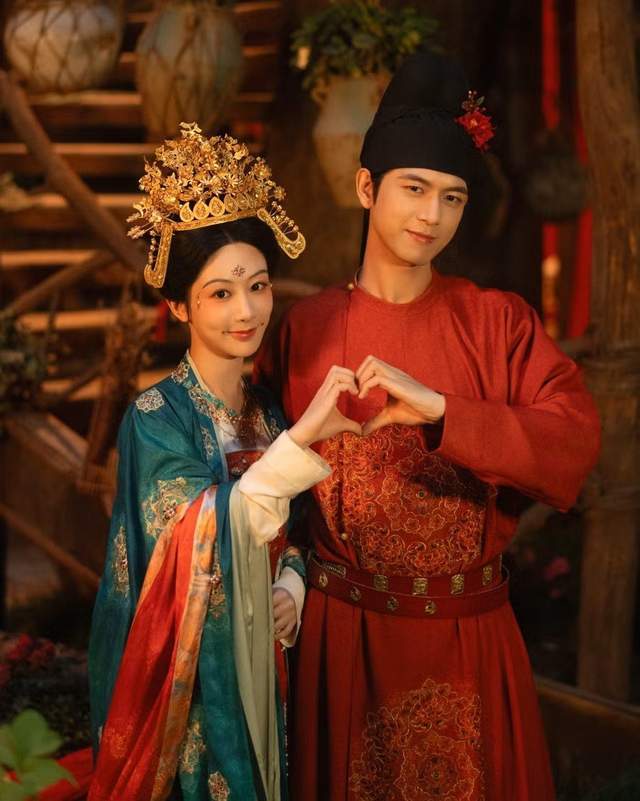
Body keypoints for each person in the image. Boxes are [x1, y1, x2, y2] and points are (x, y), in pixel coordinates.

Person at [254, 52, 601, 801]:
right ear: (366, 187)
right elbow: (257, 476)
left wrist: (446, 410)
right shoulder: (306, 328)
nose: (431, 216)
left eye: (452, 197)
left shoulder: (497, 322)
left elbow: (573, 440)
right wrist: (287, 577)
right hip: (341, 637)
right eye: (413, 188)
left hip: (468, 640)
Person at [88, 123, 360, 801]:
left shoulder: (267, 410)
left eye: (259, 286)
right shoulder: (156, 418)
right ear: (176, 304)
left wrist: (290, 586)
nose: (247, 311)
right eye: (219, 293)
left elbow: (295, 528)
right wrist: (305, 439)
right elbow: (192, 536)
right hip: (192, 691)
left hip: (269, 668)